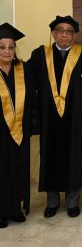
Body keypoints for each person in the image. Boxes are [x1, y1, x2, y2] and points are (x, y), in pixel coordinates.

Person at [28, 15, 82, 218]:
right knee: (50, 158)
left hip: (74, 119)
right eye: (60, 30)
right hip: (49, 118)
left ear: (74, 35)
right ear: (53, 33)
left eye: (69, 31)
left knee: (74, 158)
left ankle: (73, 202)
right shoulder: (40, 55)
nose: (64, 34)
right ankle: (53, 202)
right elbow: (29, 85)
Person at [0, 23, 32, 228]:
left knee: (18, 170)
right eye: (2, 47)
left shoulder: (24, 69)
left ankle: (15, 208)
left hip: (19, 127)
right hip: (0, 131)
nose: (7, 51)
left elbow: (32, 100)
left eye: (11, 47)